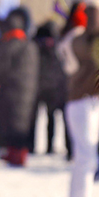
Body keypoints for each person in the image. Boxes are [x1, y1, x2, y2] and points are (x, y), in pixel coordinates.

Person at [0, 7, 39, 166]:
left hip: (14, 90)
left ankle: (17, 155)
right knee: (18, 121)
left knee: (14, 122)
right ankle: (13, 152)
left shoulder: (11, 44)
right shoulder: (28, 44)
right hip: (25, 90)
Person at [62, 0, 99, 197]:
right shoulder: (81, 40)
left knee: (85, 155)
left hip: (89, 102)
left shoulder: (80, 38)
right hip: (82, 102)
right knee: (86, 155)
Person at [29, 21, 68, 154]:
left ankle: (33, 146)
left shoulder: (34, 45)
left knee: (37, 119)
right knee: (51, 119)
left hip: (38, 87)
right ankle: (49, 147)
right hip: (52, 87)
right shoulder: (57, 45)